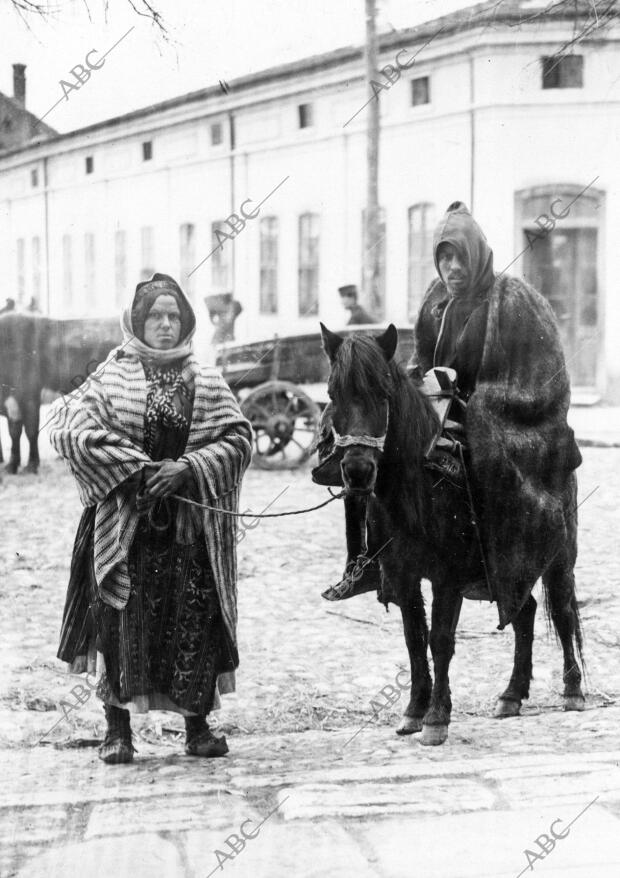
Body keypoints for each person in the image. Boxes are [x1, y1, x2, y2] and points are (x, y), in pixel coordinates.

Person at [318, 201, 581, 613]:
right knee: (370, 456)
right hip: (441, 411)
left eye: (460, 257)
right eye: (444, 257)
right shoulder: (435, 301)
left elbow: (545, 378)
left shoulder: (514, 301)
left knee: (489, 466)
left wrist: (482, 404)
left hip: (503, 421)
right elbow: (422, 360)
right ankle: (368, 561)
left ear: (477, 256)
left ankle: (499, 566)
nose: (452, 268)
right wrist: (405, 386)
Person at [49, 273, 253, 764]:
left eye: (173, 317)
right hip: (127, 525)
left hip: (187, 528)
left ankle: (197, 728)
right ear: (137, 323)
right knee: (120, 625)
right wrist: (136, 470)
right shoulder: (110, 376)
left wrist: (188, 468)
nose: (165, 325)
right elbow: (68, 430)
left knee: (193, 621)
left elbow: (239, 437)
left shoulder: (203, 379)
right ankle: (116, 731)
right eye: (155, 317)